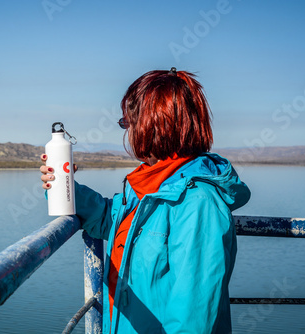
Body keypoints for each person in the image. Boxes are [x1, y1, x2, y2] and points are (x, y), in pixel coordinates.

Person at [40, 68, 250, 334]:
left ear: (153, 126)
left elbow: (192, 322)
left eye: (127, 123)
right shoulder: (147, 185)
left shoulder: (199, 204)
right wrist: (63, 186)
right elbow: (109, 219)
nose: (126, 133)